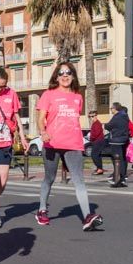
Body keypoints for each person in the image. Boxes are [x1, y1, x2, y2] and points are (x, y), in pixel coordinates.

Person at [35, 62, 101, 230]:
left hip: (73, 143)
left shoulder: (78, 97)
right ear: (56, 77)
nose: (65, 75)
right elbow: (40, 118)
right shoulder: (48, 95)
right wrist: (43, 132)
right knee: (49, 178)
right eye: (61, 73)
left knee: (79, 180)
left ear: (73, 76)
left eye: (68, 72)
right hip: (52, 143)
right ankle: (42, 210)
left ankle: (87, 216)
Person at [0, 68, 28, 228]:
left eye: (3, 86)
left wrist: (23, 137)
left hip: (5, 141)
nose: (0, 90)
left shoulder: (12, 94)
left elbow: (16, 116)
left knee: (3, 181)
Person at [104, 102, 131, 187]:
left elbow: (109, 126)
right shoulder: (125, 116)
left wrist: (105, 125)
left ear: (115, 108)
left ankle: (117, 179)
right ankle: (121, 178)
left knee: (116, 159)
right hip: (123, 139)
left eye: (111, 108)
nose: (111, 110)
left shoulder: (117, 117)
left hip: (116, 140)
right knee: (121, 159)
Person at [88, 110, 108, 175]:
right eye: (90, 117)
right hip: (97, 141)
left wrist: (91, 138)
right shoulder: (95, 123)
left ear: (96, 116)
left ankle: (99, 168)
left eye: (93, 116)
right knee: (97, 155)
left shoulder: (97, 123)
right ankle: (99, 168)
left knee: (94, 155)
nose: (91, 118)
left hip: (98, 141)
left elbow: (96, 134)